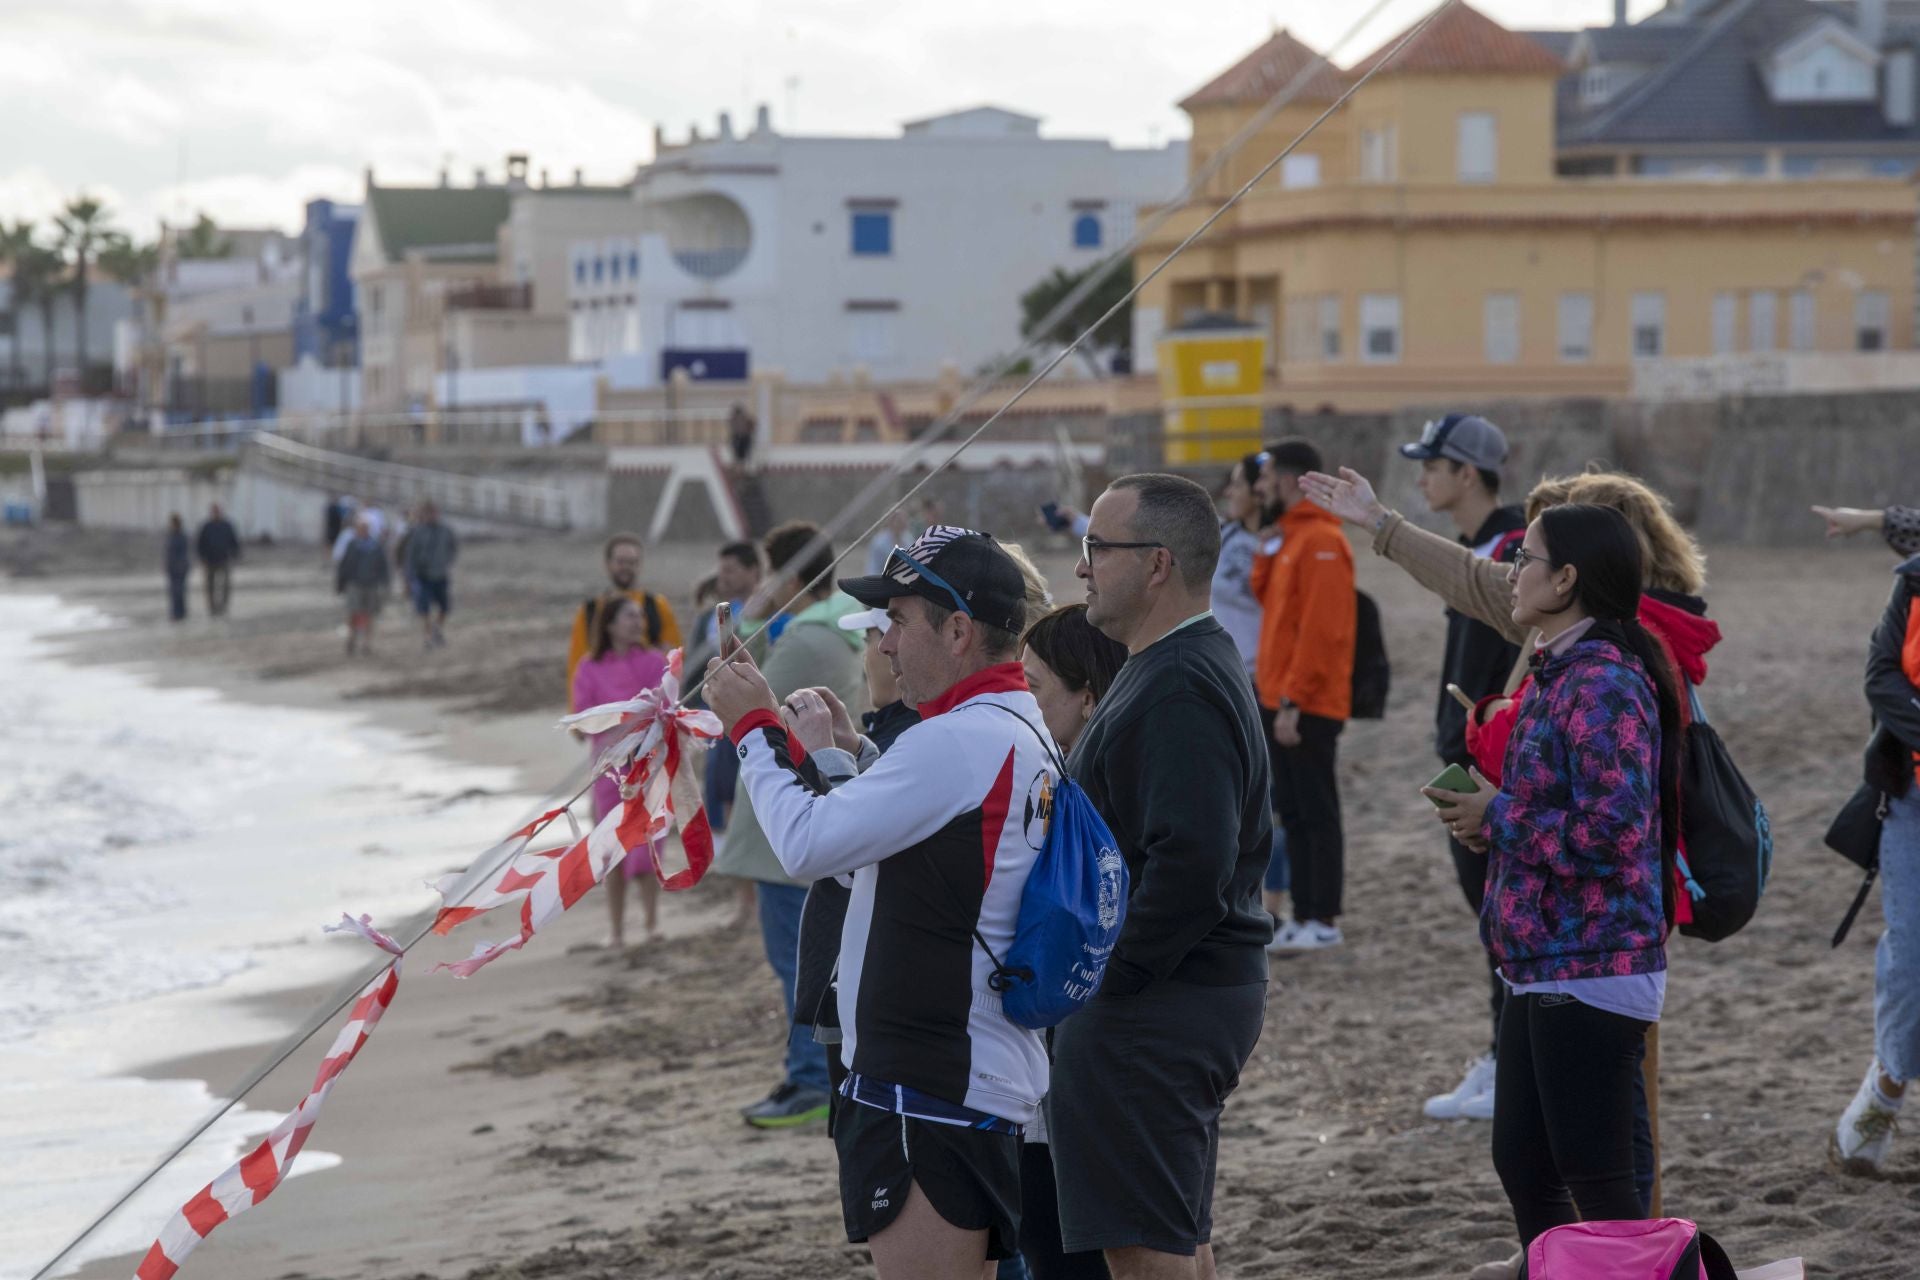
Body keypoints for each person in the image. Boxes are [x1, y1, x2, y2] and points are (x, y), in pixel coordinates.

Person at [704, 525, 1052, 1280]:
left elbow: (807, 846)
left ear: (959, 631)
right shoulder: (1014, 723)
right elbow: (925, 850)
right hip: (970, 1072)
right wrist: (851, 756)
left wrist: (755, 730)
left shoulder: (957, 741)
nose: (884, 644)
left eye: (898, 620)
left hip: (924, 1084)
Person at [1422, 503, 1679, 1252]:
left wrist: (1499, 815)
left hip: (1594, 963)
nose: (1512, 573)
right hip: (1539, 961)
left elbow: (1616, 832)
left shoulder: (1602, 683)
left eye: (1526, 559)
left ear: (1567, 579)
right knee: (1526, 1166)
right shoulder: (1553, 669)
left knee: (1596, 1179)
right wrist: (1485, 819)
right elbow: (1553, 813)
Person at [1056, 473, 1273, 1280]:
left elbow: (1193, 862)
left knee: (1145, 1248)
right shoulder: (1170, 664)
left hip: (1158, 1005)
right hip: (1175, 998)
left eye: (1095, 549)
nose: (1081, 567)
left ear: (1155, 565)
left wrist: (1107, 979)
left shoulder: (1178, 680)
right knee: (1173, 1236)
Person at [1396, 416, 1528, 1122]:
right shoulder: (1474, 546)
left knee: (1506, 920)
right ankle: (1502, 1052)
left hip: (1495, 767)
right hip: (1464, 755)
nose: (1423, 476)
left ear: (1467, 473)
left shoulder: (1513, 548)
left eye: (1433, 464)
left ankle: (1513, 1061)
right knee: (1490, 919)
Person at [715, 521, 865, 1129]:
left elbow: (744, 713)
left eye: (774, 572)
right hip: (805, 809)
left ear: (794, 577)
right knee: (803, 961)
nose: (766, 584)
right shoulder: (831, 629)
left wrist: (733, 670)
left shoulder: (806, 637)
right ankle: (807, 1075)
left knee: (795, 964)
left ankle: (808, 1080)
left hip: (791, 821)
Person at [1016, 604, 1126, 1280]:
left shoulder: (1087, 788)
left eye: (1031, 684)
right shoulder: (1059, 767)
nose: (1017, 698)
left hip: (1077, 1053)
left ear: (1087, 696)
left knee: (1065, 1243)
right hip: (1052, 1056)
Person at [1823, 500, 1920, 1174]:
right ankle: (1886, 1088)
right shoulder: (1913, 582)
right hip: (1911, 796)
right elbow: (1881, 674)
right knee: (1912, 955)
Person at [1251, 439, 1355, 953]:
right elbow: (1267, 598)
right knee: (1291, 811)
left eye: (1267, 477)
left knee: (1316, 812)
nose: (1259, 487)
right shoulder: (1290, 536)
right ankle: (1302, 914)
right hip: (1281, 697)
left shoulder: (1321, 541)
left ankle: (1323, 916)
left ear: (1290, 480)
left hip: (1307, 702)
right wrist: (1268, 542)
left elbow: (1323, 631)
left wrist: (1293, 700)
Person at [1215, 453, 1289, 930]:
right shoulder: (1222, 537)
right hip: (1228, 682)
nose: (1230, 492)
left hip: (1268, 685)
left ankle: (1277, 907)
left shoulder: (1284, 544)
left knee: (1271, 805)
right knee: (1232, 800)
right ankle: (1241, 898)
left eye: (1239, 484)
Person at [571, 594, 669, 947]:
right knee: (611, 846)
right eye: (629, 616)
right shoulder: (590, 667)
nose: (637, 622)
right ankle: (616, 931)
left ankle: (652, 923)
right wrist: (610, 726)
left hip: (650, 761)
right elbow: (582, 720)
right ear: (610, 624)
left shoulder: (654, 660)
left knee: (650, 841)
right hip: (609, 768)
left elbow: (667, 705)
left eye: (639, 616)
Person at [567, 534, 683, 686]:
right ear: (608, 564)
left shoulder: (657, 606)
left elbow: (674, 660)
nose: (626, 567)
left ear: (639, 565)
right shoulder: (590, 611)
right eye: (621, 562)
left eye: (632, 562)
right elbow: (576, 669)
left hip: (648, 698)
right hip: (603, 704)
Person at [403, 500, 458, 649]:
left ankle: (437, 629)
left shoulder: (445, 530)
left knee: (445, 607)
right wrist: (409, 578)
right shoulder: (417, 532)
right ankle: (427, 637)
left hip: (440, 574)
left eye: (433, 513)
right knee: (424, 608)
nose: (431, 516)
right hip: (423, 575)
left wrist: (447, 562)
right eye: (428, 513)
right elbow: (410, 556)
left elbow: (453, 547)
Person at [335, 516, 389, 657]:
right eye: (360, 528)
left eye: (365, 528)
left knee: (369, 614)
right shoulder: (352, 544)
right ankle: (351, 638)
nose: (363, 531)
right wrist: (340, 583)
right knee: (353, 613)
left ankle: (366, 643)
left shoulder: (375, 545)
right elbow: (344, 565)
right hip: (354, 583)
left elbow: (383, 565)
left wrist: (384, 582)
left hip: (371, 584)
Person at [195, 503, 241, 617]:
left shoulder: (226, 526)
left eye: (217, 511)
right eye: (214, 511)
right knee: (210, 586)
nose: (216, 514)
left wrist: (235, 553)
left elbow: (234, 540)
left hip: (223, 559)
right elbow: (200, 543)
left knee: (225, 585)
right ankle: (212, 608)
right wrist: (202, 557)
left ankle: (223, 606)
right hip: (210, 560)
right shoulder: (207, 526)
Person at [866, 507, 913, 577]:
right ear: (890, 522)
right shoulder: (879, 543)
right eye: (899, 521)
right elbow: (873, 569)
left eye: (905, 520)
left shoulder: (908, 539)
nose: (903, 523)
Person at [163, 514, 191, 622]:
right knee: (173, 592)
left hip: (180, 569)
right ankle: (176, 613)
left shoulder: (181, 537)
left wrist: (181, 566)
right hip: (172, 569)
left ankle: (180, 613)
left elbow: (183, 553)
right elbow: (168, 553)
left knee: (179, 591)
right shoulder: (170, 536)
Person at [729, 401, 756, 466]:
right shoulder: (735, 418)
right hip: (740, 437)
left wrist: (747, 431)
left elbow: (752, 425)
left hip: (743, 437)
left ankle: (741, 464)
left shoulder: (743, 418)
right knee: (740, 455)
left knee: (742, 455)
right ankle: (740, 464)